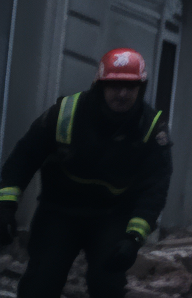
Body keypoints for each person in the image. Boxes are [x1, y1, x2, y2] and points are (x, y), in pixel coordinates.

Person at [0, 48, 172, 298]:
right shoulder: (65, 114)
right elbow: (23, 158)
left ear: (141, 89)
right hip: (59, 211)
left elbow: (155, 187)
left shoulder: (152, 130)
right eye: (115, 86)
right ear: (99, 86)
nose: (122, 94)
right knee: (40, 284)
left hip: (111, 216)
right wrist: (6, 206)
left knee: (107, 286)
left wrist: (133, 239)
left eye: (130, 87)